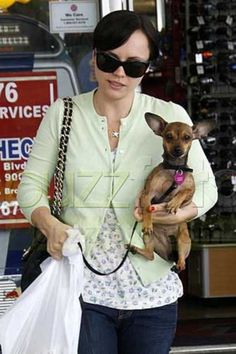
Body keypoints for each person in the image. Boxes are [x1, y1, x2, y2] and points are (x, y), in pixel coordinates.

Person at [17, 10, 218, 354]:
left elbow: (209, 191)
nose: (120, 73)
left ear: (147, 68)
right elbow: (30, 186)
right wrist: (50, 226)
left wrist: (176, 216)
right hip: (82, 288)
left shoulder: (171, 118)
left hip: (152, 290)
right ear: (94, 57)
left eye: (134, 66)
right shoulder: (64, 113)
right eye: (110, 60)